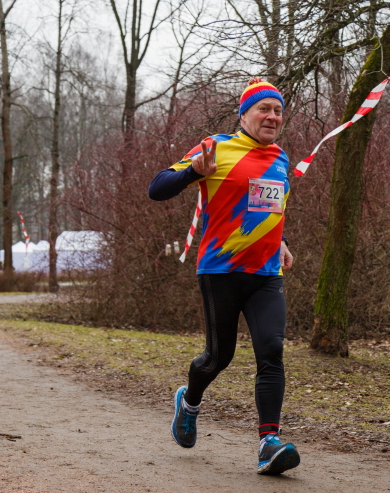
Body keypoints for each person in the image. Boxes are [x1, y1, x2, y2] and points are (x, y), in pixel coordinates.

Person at [148, 78, 299, 475]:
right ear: (244, 114)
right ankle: (190, 401)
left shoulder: (280, 158)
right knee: (220, 356)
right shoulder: (216, 148)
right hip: (221, 271)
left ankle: (269, 443)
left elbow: (267, 208)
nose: (271, 116)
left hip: (266, 274)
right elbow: (157, 188)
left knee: (272, 351)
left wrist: (280, 240)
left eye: (278, 110)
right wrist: (191, 173)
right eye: (263, 109)